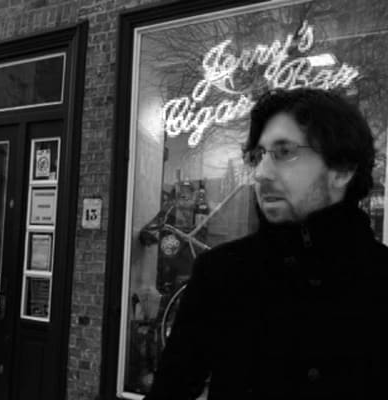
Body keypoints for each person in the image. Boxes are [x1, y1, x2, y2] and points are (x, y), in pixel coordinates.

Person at [144, 88, 388, 399]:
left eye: (284, 152)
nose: (260, 173)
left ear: (342, 169)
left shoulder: (380, 280)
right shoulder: (222, 274)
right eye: (257, 156)